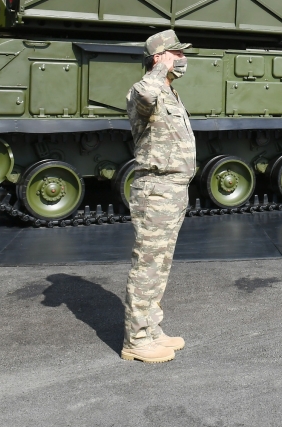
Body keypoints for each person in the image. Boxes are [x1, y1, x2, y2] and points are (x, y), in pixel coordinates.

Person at [121, 30, 196, 363]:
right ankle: (136, 340)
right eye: (176, 54)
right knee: (147, 266)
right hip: (156, 190)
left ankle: (151, 329)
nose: (182, 59)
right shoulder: (145, 89)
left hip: (173, 190)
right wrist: (158, 68)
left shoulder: (169, 91)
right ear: (159, 57)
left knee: (160, 266)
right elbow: (145, 95)